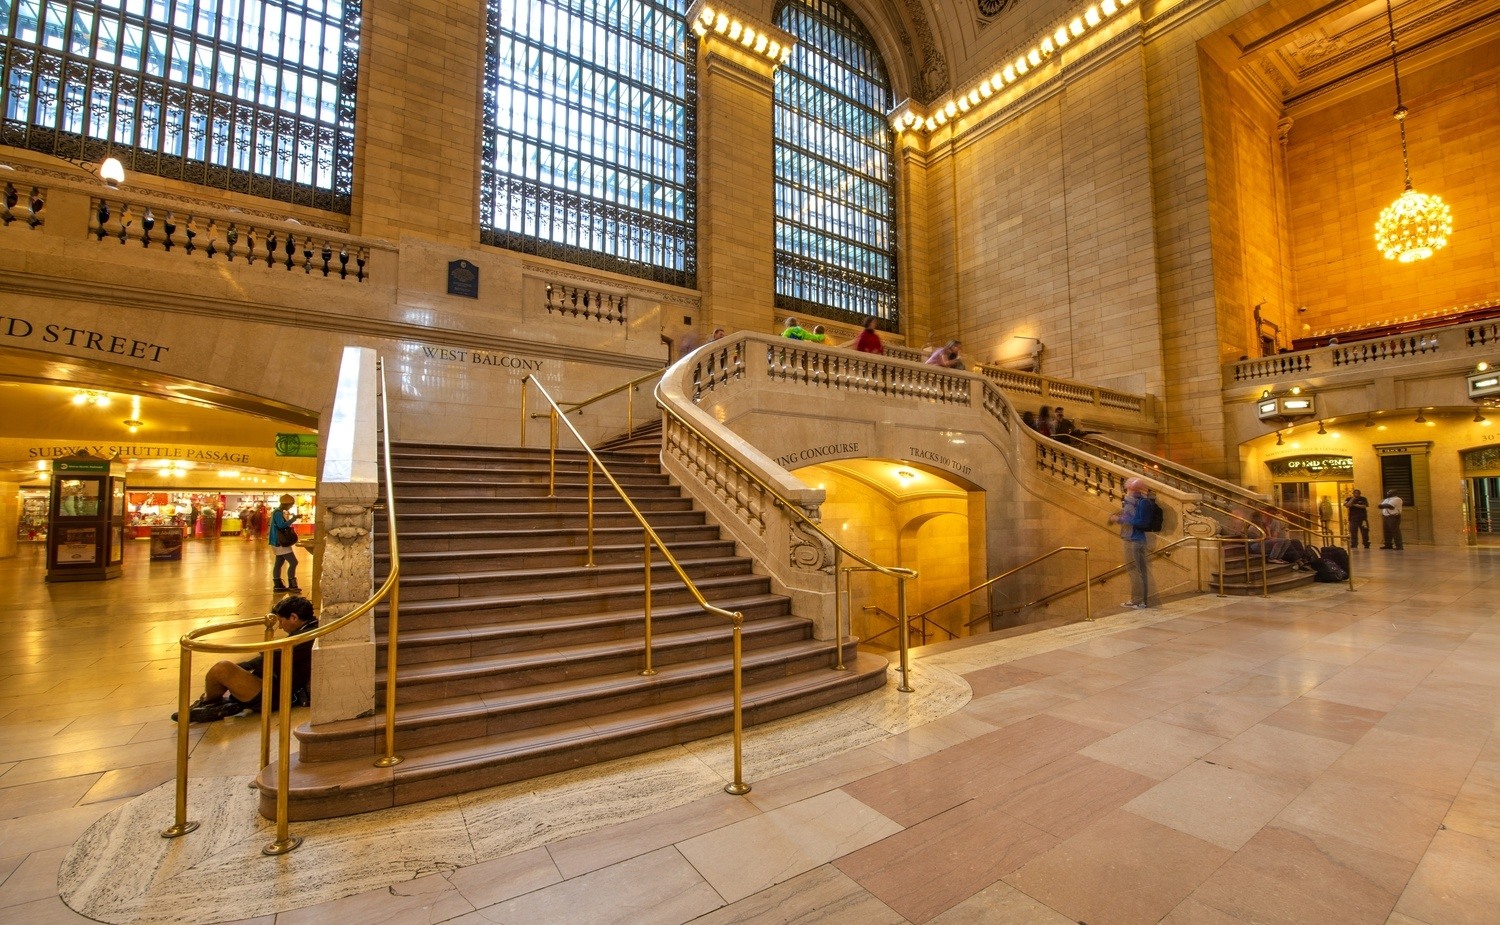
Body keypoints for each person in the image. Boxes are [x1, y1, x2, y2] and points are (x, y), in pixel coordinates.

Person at [172, 596, 319, 723]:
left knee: (221, 669)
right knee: (227, 670)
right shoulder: (310, 629)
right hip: (276, 682)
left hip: (276, 692)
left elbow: (271, 658)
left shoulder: (306, 636)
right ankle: (216, 704)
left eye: (281, 621)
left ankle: (209, 703)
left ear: (294, 617)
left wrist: (242, 667)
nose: (280, 626)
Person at [1109, 478, 1152, 608]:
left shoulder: (1133, 502)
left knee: (1134, 571)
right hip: (1138, 539)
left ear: (1131, 488)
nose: (1126, 490)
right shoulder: (1141, 501)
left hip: (1132, 539)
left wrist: (1119, 519)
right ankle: (1142, 601)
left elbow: (1136, 520)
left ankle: (1137, 601)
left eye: (1127, 487)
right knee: (1140, 571)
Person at [270, 494, 303, 592]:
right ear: (286, 504)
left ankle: (278, 585)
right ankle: (292, 585)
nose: (291, 507)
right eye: (291, 505)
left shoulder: (275, 512)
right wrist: (293, 519)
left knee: (279, 563)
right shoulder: (278, 513)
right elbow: (281, 525)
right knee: (293, 562)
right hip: (280, 542)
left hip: (276, 542)